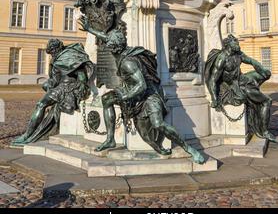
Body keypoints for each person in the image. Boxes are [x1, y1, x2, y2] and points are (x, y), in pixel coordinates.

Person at [80, 16, 205, 164]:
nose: (107, 46)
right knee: (106, 99)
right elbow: (107, 37)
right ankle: (110, 139)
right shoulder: (119, 49)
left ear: (115, 47)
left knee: (158, 124)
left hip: (148, 94)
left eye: (109, 45)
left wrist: (124, 97)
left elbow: (142, 85)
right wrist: (90, 29)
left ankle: (189, 149)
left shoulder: (128, 63)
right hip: (132, 89)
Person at [12, 39, 93, 146]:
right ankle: (30, 134)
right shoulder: (58, 58)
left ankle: (28, 135)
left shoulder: (68, 57)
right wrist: (49, 84)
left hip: (67, 87)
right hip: (61, 85)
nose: (52, 55)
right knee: (42, 101)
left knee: (41, 104)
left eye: (52, 52)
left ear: (57, 49)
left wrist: (82, 85)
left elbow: (81, 73)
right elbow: (56, 77)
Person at [205, 34, 278, 143]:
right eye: (235, 43)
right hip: (233, 86)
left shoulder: (237, 54)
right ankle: (264, 131)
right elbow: (212, 80)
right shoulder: (222, 59)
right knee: (267, 101)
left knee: (266, 74)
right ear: (228, 45)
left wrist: (262, 69)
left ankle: (254, 92)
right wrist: (214, 98)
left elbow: (252, 61)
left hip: (242, 79)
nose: (238, 44)